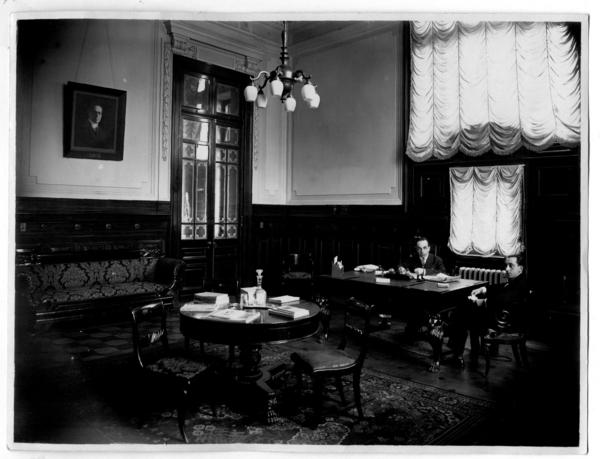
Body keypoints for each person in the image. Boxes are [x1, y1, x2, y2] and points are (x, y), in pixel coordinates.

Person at [447, 253, 529, 368]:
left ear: (520, 269)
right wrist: (483, 289)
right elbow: (501, 288)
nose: (507, 269)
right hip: (502, 318)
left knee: (463, 310)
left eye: (511, 266)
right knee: (465, 309)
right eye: (506, 265)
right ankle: (461, 349)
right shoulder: (516, 280)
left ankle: (457, 349)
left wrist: (483, 301)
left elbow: (504, 299)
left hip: (506, 324)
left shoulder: (521, 285)